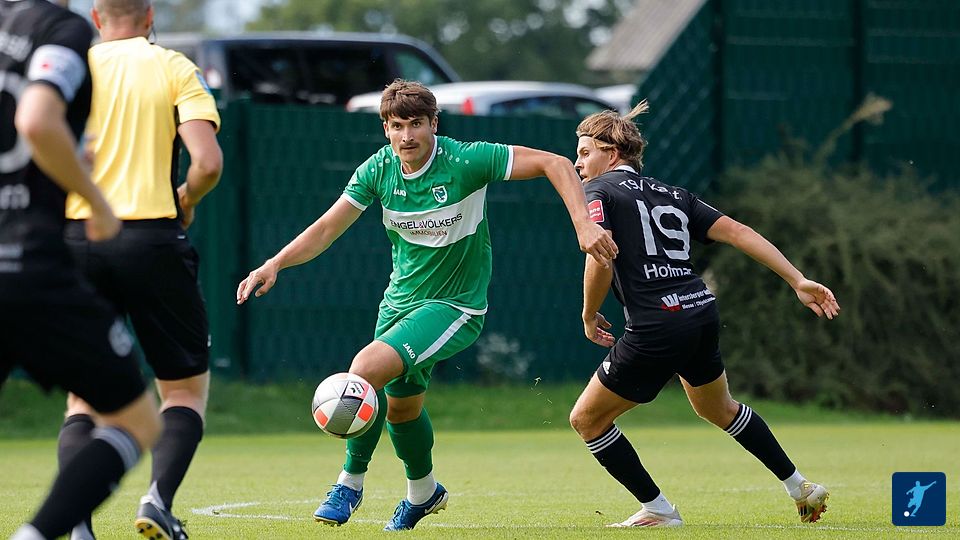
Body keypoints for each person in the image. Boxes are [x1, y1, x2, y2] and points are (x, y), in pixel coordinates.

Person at [237, 79, 618, 531]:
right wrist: (275, 263)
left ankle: (349, 484)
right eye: (397, 126)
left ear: (434, 123)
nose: (407, 136)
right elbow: (325, 229)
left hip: (455, 306)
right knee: (401, 410)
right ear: (385, 128)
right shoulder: (378, 170)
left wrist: (583, 224)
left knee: (364, 370)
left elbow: (555, 163)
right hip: (398, 305)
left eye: (416, 123)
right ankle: (424, 493)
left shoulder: (465, 160)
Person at [567, 102, 840, 527]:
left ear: (612, 153)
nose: (578, 163)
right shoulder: (675, 194)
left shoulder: (599, 191)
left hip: (658, 324)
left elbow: (600, 252)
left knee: (587, 419)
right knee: (718, 408)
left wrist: (588, 314)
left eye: (585, 152)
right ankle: (799, 486)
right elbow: (739, 232)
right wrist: (797, 279)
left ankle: (659, 510)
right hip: (699, 311)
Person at [58, 1, 223, 539]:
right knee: (182, 393)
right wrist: (187, 197)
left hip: (79, 237)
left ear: (96, 18)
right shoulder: (173, 66)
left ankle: (77, 524)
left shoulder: (73, 66)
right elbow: (207, 163)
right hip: (152, 238)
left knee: (84, 397)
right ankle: (157, 501)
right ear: (149, 16)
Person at [1, 1, 162, 539]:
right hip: (26, 266)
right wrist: (94, 199)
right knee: (137, 420)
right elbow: (35, 119)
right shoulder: (54, 27)